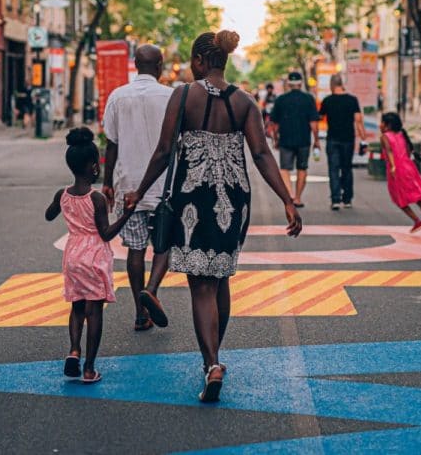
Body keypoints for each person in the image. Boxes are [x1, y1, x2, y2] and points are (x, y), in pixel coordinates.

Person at [126, 30, 302, 403]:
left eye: (193, 61)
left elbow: (162, 151)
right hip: (234, 200)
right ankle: (213, 359)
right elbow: (262, 155)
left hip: (195, 196)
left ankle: (212, 363)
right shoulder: (245, 102)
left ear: (201, 61)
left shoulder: (184, 95)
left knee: (200, 284)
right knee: (220, 277)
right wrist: (288, 199)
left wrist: (139, 192)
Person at [45, 127, 135, 384]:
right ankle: (89, 368)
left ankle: (74, 350)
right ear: (94, 166)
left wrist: (58, 207)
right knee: (94, 311)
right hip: (94, 256)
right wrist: (126, 215)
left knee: (76, 307)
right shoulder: (95, 198)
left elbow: (49, 215)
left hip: (73, 256)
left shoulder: (62, 194)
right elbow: (105, 234)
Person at [102, 44, 174, 331]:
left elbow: (111, 142)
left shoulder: (118, 96)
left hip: (128, 186)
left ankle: (139, 312)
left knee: (135, 249)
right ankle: (152, 291)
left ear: (135, 64)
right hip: (163, 187)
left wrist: (107, 183)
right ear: (160, 66)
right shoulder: (171, 96)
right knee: (163, 245)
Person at [380, 112, 421, 238]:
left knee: (399, 199)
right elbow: (407, 151)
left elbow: (389, 151)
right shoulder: (402, 134)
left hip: (396, 171)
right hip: (409, 168)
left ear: (387, 125)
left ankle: (417, 221)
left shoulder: (385, 136)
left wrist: (393, 166)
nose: (380, 125)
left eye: (382, 122)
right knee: (419, 199)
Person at [270, 71, 320, 208]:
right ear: (300, 83)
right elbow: (313, 123)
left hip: (285, 139)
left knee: (284, 168)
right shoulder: (309, 99)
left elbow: (274, 124)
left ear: (289, 84)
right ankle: (298, 198)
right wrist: (316, 140)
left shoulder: (281, 99)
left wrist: (275, 139)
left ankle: (290, 194)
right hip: (304, 140)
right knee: (302, 168)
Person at [319, 74, 367, 210]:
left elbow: (320, 117)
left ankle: (335, 200)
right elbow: (358, 120)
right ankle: (347, 199)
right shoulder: (352, 100)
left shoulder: (327, 100)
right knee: (347, 168)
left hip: (332, 139)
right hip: (348, 139)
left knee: (333, 169)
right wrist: (363, 139)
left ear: (331, 85)